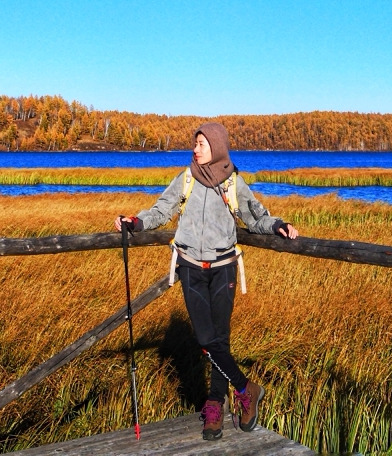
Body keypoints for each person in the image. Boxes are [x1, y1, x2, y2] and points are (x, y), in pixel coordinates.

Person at [115, 122, 299, 441]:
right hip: (190, 266)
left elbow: (255, 215)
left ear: (217, 146)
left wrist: (278, 225)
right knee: (206, 339)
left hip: (224, 267)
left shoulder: (233, 183)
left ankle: (214, 405)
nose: (196, 148)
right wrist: (135, 221)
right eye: (195, 143)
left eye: (202, 143)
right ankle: (246, 390)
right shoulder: (186, 178)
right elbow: (161, 210)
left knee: (219, 338)